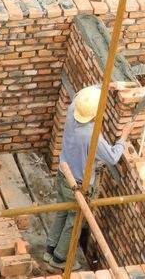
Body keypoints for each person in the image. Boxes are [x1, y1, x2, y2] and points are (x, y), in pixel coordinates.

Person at [44, 85, 133, 271]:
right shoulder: (91, 135)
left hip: (63, 175)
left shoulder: (71, 110)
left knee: (61, 211)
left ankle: (49, 249)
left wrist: (104, 87)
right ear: (95, 113)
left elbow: (80, 96)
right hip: (78, 185)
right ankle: (59, 259)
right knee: (73, 221)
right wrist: (123, 136)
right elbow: (112, 157)